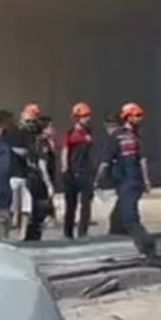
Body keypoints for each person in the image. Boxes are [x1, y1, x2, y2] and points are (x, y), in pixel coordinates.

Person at [98, 103, 160, 262]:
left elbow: (105, 163)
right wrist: (146, 181)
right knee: (117, 219)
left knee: (129, 218)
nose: (140, 119)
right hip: (134, 182)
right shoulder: (135, 136)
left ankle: (148, 248)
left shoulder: (118, 136)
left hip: (127, 183)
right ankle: (118, 248)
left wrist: (97, 180)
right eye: (137, 116)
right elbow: (143, 161)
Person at [7, 104, 55, 241]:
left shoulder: (35, 136)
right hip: (14, 174)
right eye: (28, 121)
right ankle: (10, 232)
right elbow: (11, 148)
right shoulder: (13, 132)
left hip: (29, 175)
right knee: (13, 207)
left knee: (27, 208)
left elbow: (40, 158)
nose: (31, 124)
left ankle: (23, 233)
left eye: (33, 121)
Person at [61, 102, 95, 239]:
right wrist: (65, 169)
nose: (87, 118)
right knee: (71, 204)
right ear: (77, 118)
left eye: (88, 115)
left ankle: (83, 231)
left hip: (85, 171)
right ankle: (68, 232)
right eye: (84, 116)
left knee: (86, 203)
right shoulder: (70, 133)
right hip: (72, 172)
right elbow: (65, 151)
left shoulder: (89, 132)